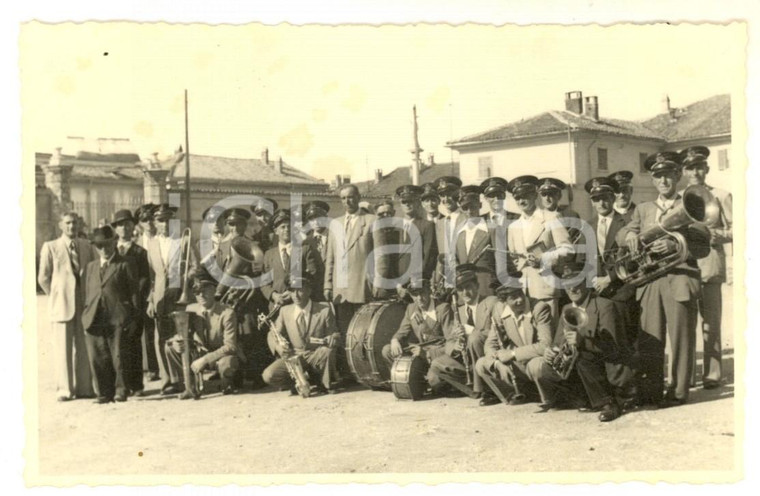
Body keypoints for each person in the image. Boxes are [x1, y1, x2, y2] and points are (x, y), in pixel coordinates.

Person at [617, 151, 710, 407]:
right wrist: (629, 238)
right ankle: (651, 392)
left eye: (668, 175)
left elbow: (703, 245)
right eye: (658, 176)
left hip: (681, 279)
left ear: (677, 176)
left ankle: (679, 392)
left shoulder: (692, 202)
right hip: (650, 283)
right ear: (653, 180)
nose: (663, 181)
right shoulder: (644, 209)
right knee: (650, 341)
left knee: (681, 339)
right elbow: (624, 232)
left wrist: (673, 245)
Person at [539, 261, 636, 422]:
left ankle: (610, 403)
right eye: (567, 285)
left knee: (582, 354)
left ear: (586, 282)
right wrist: (551, 351)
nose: (572, 289)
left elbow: (614, 348)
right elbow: (557, 343)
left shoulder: (605, 306)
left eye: (576, 283)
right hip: (585, 367)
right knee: (547, 369)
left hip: (606, 366)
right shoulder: (566, 308)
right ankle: (586, 400)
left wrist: (583, 341)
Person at [678, 145, 733, 389]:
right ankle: (686, 375)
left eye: (699, 167)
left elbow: (737, 229)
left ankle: (711, 374)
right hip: (686, 265)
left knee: (711, 322)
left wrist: (715, 235)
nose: (695, 172)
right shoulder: (680, 198)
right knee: (686, 322)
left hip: (710, 263)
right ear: (684, 171)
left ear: (706, 169)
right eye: (690, 167)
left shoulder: (721, 195)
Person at [38, 211, 98, 400]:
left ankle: (84, 388)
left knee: (83, 347)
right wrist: (56, 294)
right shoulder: (51, 247)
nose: (72, 227)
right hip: (61, 305)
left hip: (84, 304)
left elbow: (93, 272)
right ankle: (64, 390)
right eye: (68, 223)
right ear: (61, 225)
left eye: (75, 223)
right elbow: (43, 278)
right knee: (62, 348)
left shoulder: (87, 246)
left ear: (79, 226)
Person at [81, 226, 140, 403]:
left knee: (119, 355)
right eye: (99, 246)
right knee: (98, 355)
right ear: (95, 247)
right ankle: (104, 392)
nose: (104, 250)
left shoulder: (125, 263)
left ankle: (121, 390)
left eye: (107, 245)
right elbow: (88, 293)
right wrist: (86, 315)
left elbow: (134, 293)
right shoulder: (91, 267)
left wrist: (133, 317)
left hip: (118, 316)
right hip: (95, 317)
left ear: (114, 243)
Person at [165, 268, 245, 398]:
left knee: (228, 363)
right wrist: (175, 342)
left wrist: (205, 359)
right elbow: (179, 336)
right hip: (201, 354)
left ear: (214, 290)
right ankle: (188, 386)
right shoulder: (190, 309)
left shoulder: (227, 313)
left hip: (222, 356)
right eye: (197, 292)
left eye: (205, 290)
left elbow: (230, 347)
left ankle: (229, 382)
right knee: (170, 348)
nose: (201, 295)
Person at [475, 276, 553, 406]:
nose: (520, 300)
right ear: (504, 301)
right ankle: (514, 394)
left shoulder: (540, 308)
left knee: (536, 365)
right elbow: (491, 343)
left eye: (520, 294)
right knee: (481, 363)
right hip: (520, 365)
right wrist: (497, 363)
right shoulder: (500, 310)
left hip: (536, 360)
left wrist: (511, 354)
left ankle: (549, 399)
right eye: (513, 298)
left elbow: (545, 345)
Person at [324, 184, 376, 378]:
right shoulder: (335, 224)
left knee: (363, 332)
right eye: (344, 198)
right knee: (344, 331)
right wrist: (328, 284)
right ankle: (348, 373)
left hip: (362, 285)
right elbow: (330, 258)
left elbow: (378, 256)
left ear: (358, 197)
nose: (348, 201)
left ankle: (366, 371)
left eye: (351, 197)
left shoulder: (370, 220)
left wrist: (376, 283)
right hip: (340, 289)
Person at [506, 175, 573, 325]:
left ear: (534, 195)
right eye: (517, 198)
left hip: (545, 287)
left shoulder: (551, 217)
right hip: (522, 293)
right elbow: (514, 258)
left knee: (550, 337)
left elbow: (567, 249)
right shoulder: (513, 227)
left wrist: (543, 259)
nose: (521, 201)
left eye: (525, 196)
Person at [583, 177, 640, 346]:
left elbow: (633, 258)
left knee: (626, 340)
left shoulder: (627, 223)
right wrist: (592, 281)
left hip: (621, 291)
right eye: (596, 199)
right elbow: (583, 260)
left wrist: (609, 278)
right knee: (605, 341)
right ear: (592, 202)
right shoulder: (587, 226)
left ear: (613, 198)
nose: (601, 203)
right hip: (597, 292)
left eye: (605, 198)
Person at [427, 263, 498, 398]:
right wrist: (455, 348)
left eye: (468, 287)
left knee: (474, 337)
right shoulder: (458, 310)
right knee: (437, 364)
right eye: (460, 289)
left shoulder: (491, 302)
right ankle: (475, 390)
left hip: (487, 359)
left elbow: (498, 334)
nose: (465, 293)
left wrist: (471, 331)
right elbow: (449, 341)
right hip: (468, 363)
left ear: (477, 286)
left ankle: (488, 389)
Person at [262, 274, 341, 394]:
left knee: (327, 351)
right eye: (292, 291)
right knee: (268, 375)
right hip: (295, 357)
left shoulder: (324, 310)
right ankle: (299, 383)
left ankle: (325, 384)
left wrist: (332, 338)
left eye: (300, 291)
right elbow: (272, 334)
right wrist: (279, 348)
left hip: (317, 355)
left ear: (309, 291)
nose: (295, 295)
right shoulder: (285, 311)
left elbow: (335, 334)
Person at [381, 279, 452, 392]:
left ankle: (425, 380)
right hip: (419, 353)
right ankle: (410, 380)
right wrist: (395, 340)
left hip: (436, 356)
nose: (419, 298)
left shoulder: (443, 309)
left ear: (429, 291)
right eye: (415, 294)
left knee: (435, 382)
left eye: (422, 293)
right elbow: (402, 331)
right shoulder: (411, 308)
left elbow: (451, 344)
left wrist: (426, 353)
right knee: (387, 350)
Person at [145, 203, 185, 394]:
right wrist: (151, 300)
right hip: (160, 297)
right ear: (155, 222)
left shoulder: (183, 241)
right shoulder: (151, 244)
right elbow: (151, 276)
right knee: (160, 337)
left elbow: (193, 267)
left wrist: (183, 282)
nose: (165, 224)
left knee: (179, 336)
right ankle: (167, 380)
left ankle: (183, 377)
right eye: (161, 220)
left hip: (178, 295)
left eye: (168, 220)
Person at [111, 209, 150, 396]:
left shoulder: (140, 252)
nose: (124, 228)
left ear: (133, 227)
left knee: (134, 343)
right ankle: (120, 386)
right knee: (117, 345)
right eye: (120, 224)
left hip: (134, 304)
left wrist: (134, 301)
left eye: (127, 224)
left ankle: (137, 385)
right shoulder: (110, 250)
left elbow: (144, 278)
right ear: (115, 229)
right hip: (114, 306)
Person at [262, 208, 320, 308]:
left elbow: (312, 275)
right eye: (283, 227)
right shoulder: (268, 254)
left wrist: (292, 292)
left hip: (299, 304)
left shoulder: (305, 250)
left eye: (289, 226)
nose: (287, 229)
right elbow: (264, 283)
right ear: (276, 231)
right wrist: (273, 295)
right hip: (276, 306)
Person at [451, 185, 495, 296]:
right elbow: (453, 258)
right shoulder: (458, 231)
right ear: (461, 209)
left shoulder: (491, 228)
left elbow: (501, 260)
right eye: (465, 208)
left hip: (486, 286)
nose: (469, 211)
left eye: (473, 207)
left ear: (480, 205)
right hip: (464, 288)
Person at [133, 203, 160, 381]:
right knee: (147, 331)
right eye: (144, 220)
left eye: (151, 219)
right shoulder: (137, 245)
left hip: (161, 288)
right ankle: (152, 368)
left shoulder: (162, 240)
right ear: (139, 224)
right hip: (142, 292)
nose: (149, 223)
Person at [396, 185, 438, 282]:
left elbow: (429, 257)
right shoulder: (396, 228)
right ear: (400, 204)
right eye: (404, 202)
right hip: (398, 284)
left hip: (418, 282)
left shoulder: (427, 226)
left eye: (411, 201)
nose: (407, 204)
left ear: (418, 203)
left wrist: (418, 279)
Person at [371, 199, 401, 299]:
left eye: (388, 213)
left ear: (394, 213)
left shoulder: (401, 234)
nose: (385, 216)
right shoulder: (371, 234)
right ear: (375, 214)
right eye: (381, 214)